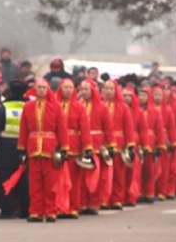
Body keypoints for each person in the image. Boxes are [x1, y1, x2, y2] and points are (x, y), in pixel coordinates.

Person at [18, 78, 68, 222]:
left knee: (51, 183)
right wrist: (21, 149)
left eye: (44, 87)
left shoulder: (56, 107)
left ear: (48, 89)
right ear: (34, 89)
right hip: (33, 148)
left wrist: (64, 148)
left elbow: (62, 129)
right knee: (34, 183)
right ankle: (35, 211)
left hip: (50, 149)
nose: (41, 90)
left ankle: (51, 211)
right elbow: (23, 130)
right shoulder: (27, 107)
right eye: (39, 87)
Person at [0, 81, 28, 219]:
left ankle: (7, 209)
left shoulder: (3, 108)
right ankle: (25, 209)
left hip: (6, 148)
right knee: (24, 179)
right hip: (25, 148)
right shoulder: (29, 106)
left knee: (5, 179)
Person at [55, 79, 92, 219]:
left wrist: (87, 147)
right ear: (60, 89)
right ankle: (58, 206)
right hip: (57, 147)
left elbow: (85, 129)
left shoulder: (79, 107)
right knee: (57, 179)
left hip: (74, 147)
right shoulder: (54, 105)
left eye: (71, 87)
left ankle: (73, 207)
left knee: (74, 180)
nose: (68, 90)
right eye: (65, 87)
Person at [79, 79, 113, 215]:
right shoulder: (78, 105)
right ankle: (82, 202)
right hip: (81, 144)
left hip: (97, 144)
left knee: (95, 176)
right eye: (82, 89)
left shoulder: (102, 107)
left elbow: (108, 129)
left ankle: (94, 203)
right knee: (81, 176)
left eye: (86, 89)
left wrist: (110, 146)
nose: (84, 92)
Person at [102, 80, 135, 210]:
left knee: (118, 174)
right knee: (105, 175)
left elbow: (128, 128)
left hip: (119, 143)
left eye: (111, 89)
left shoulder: (123, 107)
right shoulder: (100, 105)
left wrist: (130, 145)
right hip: (104, 144)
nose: (109, 91)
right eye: (106, 88)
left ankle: (116, 199)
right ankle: (104, 199)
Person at [158, 86, 176, 200]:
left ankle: (168, 190)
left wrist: (175, 141)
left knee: (169, 168)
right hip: (156, 140)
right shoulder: (153, 108)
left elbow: (174, 127)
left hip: (168, 140)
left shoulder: (172, 109)